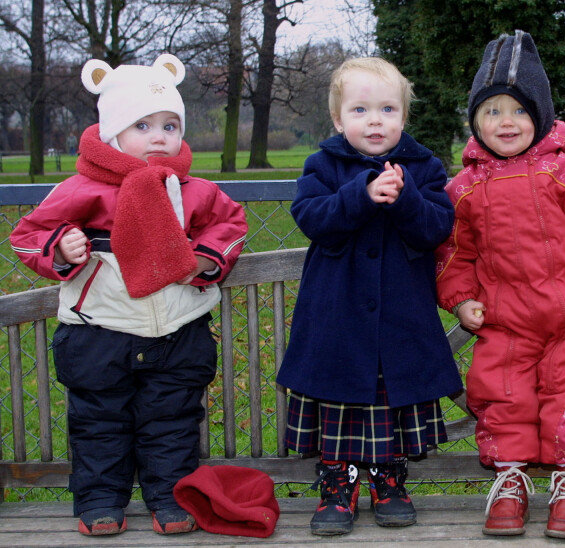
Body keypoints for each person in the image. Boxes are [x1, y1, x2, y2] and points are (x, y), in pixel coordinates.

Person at [10, 54, 247, 536]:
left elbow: (231, 226)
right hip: (100, 331)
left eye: (169, 125)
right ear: (112, 131)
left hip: (177, 333)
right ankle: (100, 501)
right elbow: (27, 235)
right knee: (99, 423)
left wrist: (205, 257)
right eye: (142, 125)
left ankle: (172, 498)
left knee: (172, 423)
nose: (159, 136)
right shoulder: (81, 189)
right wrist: (61, 247)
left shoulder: (193, 190)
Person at [435, 30, 565, 540]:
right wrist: (462, 299)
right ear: (475, 122)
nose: (506, 123)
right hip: (506, 322)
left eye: (519, 111)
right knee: (503, 398)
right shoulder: (464, 190)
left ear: (542, 117)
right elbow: (453, 252)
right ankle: (510, 484)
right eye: (492, 112)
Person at [275, 57, 463, 537]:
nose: (374, 120)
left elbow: (436, 228)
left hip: (401, 321)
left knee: (392, 401)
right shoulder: (324, 165)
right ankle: (337, 484)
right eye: (360, 110)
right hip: (337, 320)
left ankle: (389, 480)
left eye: (387, 109)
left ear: (403, 116)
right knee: (339, 400)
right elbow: (312, 217)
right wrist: (360, 193)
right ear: (339, 119)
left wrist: (405, 199)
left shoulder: (424, 167)